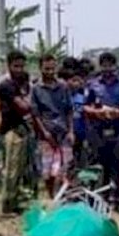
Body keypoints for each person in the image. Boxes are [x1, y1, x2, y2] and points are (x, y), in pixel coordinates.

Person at [84, 52, 119, 217]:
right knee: (99, 169)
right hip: (98, 132)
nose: (107, 68)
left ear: (114, 66)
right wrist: (98, 112)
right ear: (100, 66)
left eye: (110, 65)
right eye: (104, 65)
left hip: (118, 131)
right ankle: (100, 202)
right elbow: (85, 107)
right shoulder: (93, 85)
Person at [31, 54, 74, 199]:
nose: (50, 72)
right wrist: (45, 132)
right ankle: (52, 197)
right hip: (45, 134)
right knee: (47, 170)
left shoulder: (63, 86)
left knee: (64, 168)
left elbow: (69, 110)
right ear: (40, 68)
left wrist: (71, 131)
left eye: (52, 68)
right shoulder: (36, 88)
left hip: (63, 132)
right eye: (46, 69)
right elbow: (35, 114)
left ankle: (60, 197)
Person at [0, 50, 35, 214]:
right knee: (11, 170)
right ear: (9, 65)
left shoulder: (21, 84)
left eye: (21, 66)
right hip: (11, 130)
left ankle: (14, 201)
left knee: (20, 169)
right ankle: (7, 204)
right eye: (16, 66)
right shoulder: (6, 85)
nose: (19, 69)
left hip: (22, 129)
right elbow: (23, 107)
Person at [66, 70, 89, 169]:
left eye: (78, 81)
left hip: (81, 131)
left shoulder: (83, 98)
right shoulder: (65, 97)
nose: (76, 83)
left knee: (80, 155)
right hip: (68, 132)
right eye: (73, 80)